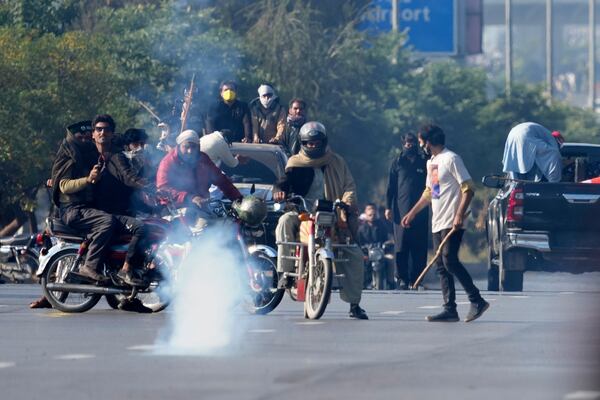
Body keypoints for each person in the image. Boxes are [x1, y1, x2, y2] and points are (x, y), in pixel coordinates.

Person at [273, 121, 368, 320]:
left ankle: (354, 304)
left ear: (323, 142)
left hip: (332, 214)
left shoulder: (336, 161)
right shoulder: (295, 162)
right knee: (284, 221)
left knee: (355, 254)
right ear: (303, 143)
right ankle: (284, 271)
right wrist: (279, 192)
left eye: (317, 142)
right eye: (309, 143)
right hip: (301, 212)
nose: (313, 146)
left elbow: (349, 186)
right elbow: (283, 182)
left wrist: (345, 202)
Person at [402, 124, 489, 322]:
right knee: (441, 265)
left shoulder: (452, 158)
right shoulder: (432, 162)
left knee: (450, 260)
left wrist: (459, 214)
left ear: (429, 142)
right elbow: (431, 192)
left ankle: (477, 300)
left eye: (422, 141)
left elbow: (468, 187)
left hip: (452, 220)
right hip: (438, 220)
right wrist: (412, 213)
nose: (421, 145)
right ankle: (450, 309)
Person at [30, 120, 94, 309]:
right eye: (79, 136)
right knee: (65, 254)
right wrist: (57, 182)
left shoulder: (90, 153)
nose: (83, 139)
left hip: (82, 208)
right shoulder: (68, 154)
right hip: (67, 210)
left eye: (86, 136)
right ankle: (53, 295)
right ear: (72, 137)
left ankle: (54, 295)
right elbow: (63, 181)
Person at [156, 129, 242, 218]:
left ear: (199, 146)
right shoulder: (168, 162)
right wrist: (190, 198)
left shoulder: (203, 159)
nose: (190, 151)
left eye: (194, 147)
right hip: (174, 210)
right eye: (186, 147)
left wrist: (239, 200)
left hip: (202, 208)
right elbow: (163, 189)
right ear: (179, 146)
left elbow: (221, 180)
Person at [385, 133, 428, 290]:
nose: (409, 145)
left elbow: (432, 187)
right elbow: (391, 188)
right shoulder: (397, 162)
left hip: (421, 212)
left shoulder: (424, 161)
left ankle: (417, 279)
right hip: (400, 211)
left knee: (419, 246)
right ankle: (402, 278)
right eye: (407, 143)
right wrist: (388, 207)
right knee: (401, 246)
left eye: (412, 142)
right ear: (402, 144)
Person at [357, 203, 392, 289]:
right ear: (365, 212)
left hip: (381, 254)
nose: (372, 214)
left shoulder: (382, 226)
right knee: (358, 262)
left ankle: (391, 282)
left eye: (373, 211)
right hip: (366, 254)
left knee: (391, 260)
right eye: (369, 210)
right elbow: (358, 242)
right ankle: (360, 282)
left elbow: (388, 239)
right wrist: (363, 250)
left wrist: (388, 244)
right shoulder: (361, 228)